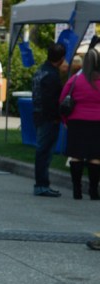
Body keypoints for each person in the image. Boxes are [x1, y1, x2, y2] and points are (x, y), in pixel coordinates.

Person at [61, 48, 100, 202]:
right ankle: (93, 190)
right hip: (97, 123)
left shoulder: (75, 80)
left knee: (76, 156)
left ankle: (76, 190)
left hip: (76, 122)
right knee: (95, 157)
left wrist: (66, 121)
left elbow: (63, 100)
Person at [32, 43, 67, 198]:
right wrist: (55, 117)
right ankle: (41, 184)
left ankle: (42, 183)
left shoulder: (41, 71)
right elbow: (51, 100)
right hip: (48, 118)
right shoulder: (52, 76)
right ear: (60, 59)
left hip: (38, 114)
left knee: (42, 150)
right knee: (44, 151)